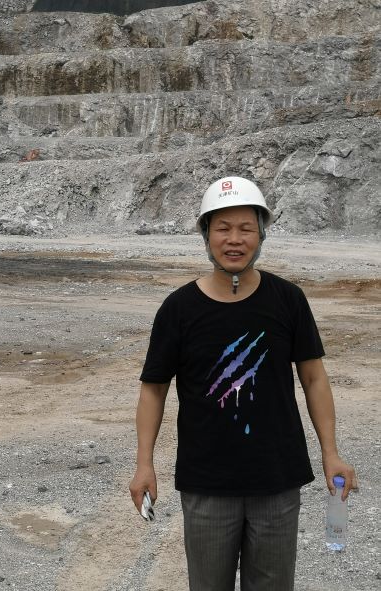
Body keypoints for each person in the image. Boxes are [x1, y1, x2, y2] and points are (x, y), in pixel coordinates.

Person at [129, 176, 357, 591]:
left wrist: (331, 453)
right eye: (223, 228)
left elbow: (313, 378)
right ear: (206, 234)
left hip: (277, 479)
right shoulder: (179, 309)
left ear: (261, 235)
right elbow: (153, 389)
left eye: (246, 228)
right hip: (207, 483)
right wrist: (144, 464)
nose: (234, 240)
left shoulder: (288, 299)